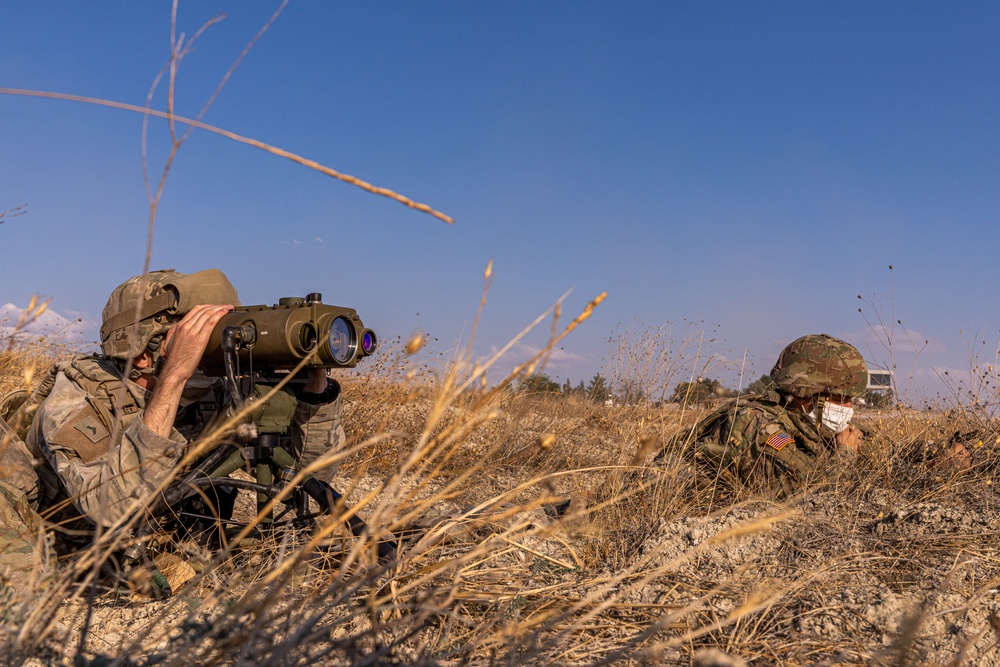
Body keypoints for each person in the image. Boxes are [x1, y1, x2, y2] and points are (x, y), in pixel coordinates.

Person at [0, 269, 346, 594]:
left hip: (161, 541)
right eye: (196, 337)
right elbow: (110, 509)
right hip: (71, 547)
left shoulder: (217, 394)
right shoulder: (78, 401)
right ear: (142, 355)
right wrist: (175, 377)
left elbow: (299, 478)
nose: (210, 349)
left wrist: (317, 394)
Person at [684, 334, 868, 497]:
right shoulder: (759, 425)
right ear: (803, 394)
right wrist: (846, 455)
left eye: (850, 398)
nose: (847, 407)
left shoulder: (800, 419)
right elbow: (806, 496)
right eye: (838, 398)